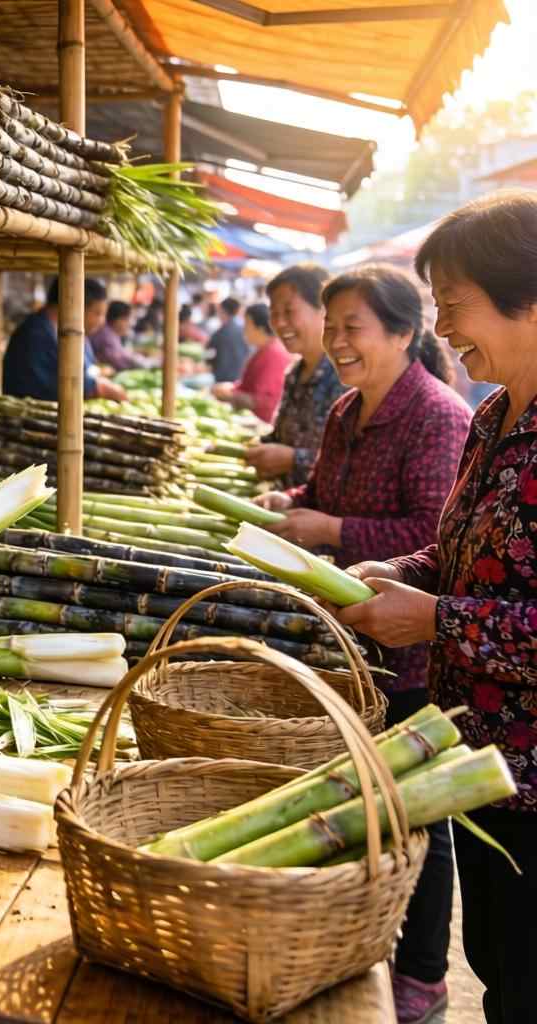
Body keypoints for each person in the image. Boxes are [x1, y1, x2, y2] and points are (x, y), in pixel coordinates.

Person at [333, 192, 537, 1024]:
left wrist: (436, 619)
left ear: (529, 297)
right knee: (501, 973)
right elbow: (461, 552)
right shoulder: (493, 416)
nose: (442, 328)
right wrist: (397, 569)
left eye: (454, 304)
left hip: (534, 782)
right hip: (479, 768)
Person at [255, 265, 472, 1024]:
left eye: (355, 327)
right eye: (332, 326)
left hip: (411, 657)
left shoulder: (439, 417)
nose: (338, 341)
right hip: (346, 649)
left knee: (418, 819)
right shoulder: (345, 409)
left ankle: (423, 975)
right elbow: (320, 494)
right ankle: (362, 943)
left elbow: (435, 535)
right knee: (358, 809)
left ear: (404, 332)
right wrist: (290, 506)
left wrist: (333, 531)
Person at [246, 264, 346, 488]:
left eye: (289, 312)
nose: (279, 323)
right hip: (283, 499)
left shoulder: (346, 377)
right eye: (274, 313)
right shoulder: (294, 373)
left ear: (324, 310)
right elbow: (280, 437)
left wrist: (294, 460)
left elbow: (355, 463)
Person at [3, 278, 126, 402]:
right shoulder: (35, 334)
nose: (102, 321)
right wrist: (98, 387)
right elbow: (54, 382)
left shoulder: (74, 334)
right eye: (97, 313)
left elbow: (86, 369)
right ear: (75, 305)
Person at [211, 302, 292, 423]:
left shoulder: (274, 354)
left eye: (247, 325)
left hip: (260, 422)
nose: (243, 330)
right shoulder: (264, 349)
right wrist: (231, 388)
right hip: (248, 417)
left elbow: (265, 401)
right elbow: (248, 386)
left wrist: (230, 395)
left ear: (260, 329)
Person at [88, 300, 148, 373]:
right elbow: (119, 360)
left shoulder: (111, 334)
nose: (130, 324)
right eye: (127, 319)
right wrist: (145, 364)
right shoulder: (106, 336)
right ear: (117, 320)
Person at [207, 297, 248, 383]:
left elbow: (208, 356)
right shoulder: (245, 331)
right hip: (242, 377)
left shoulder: (219, 334)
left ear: (222, 311)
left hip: (222, 378)